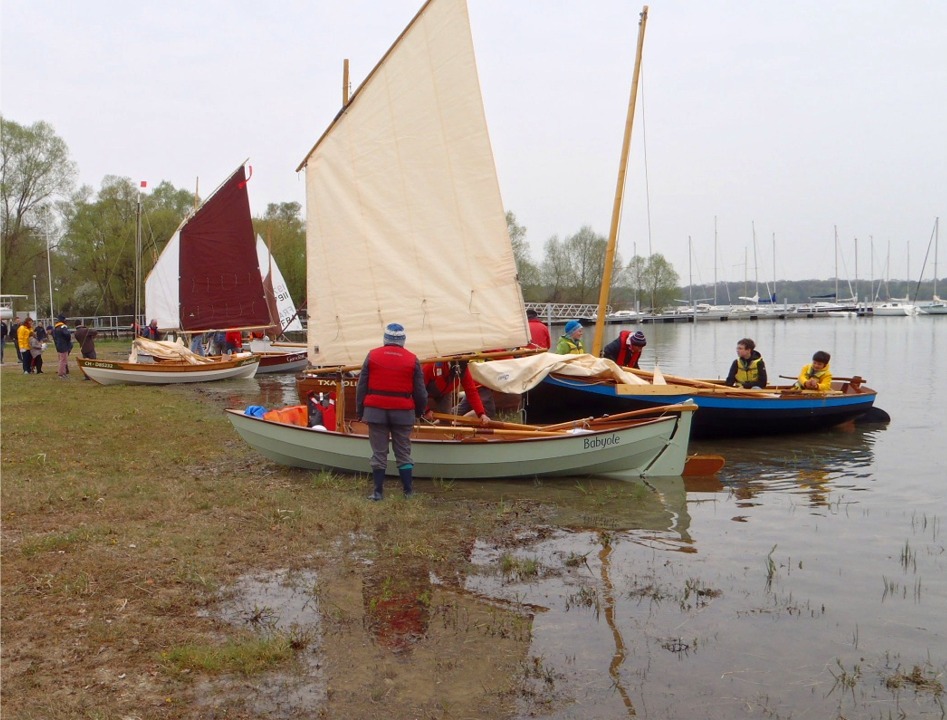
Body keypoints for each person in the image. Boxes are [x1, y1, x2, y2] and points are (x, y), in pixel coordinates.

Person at [356, 323, 427, 501]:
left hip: (375, 411)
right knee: (403, 452)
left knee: (379, 453)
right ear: (402, 340)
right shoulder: (412, 359)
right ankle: (408, 492)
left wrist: (360, 412)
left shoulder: (372, 355)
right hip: (403, 413)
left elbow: (361, 387)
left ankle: (378, 493)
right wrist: (419, 412)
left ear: (385, 339)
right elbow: (420, 392)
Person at [422, 360, 491, 424]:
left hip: (444, 393)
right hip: (424, 392)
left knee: (446, 421)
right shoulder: (431, 366)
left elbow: (471, 391)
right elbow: (417, 390)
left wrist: (481, 414)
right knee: (415, 416)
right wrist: (426, 409)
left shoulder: (464, 370)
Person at [52, 314, 73, 378]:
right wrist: (68, 340)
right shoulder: (63, 326)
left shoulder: (56, 327)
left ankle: (62, 373)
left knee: (62, 359)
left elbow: (54, 336)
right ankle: (61, 373)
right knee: (63, 360)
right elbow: (67, 335)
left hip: (58, 344)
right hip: (64, 344)